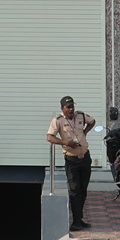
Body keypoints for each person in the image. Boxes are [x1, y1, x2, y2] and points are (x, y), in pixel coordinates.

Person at [46, 95, 97, 232]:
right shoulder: (58, 120)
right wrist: (65, 142)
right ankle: (76, 222)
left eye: (72, 106)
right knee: (75, 191)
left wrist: (85, 132)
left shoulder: (80, 115)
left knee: (83, 190)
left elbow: (92, 121)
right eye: (68, 107)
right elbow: (49, 137)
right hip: (71, 160)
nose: (71, 109)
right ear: (62, 108)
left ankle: (79, 219)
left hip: (85, 158)